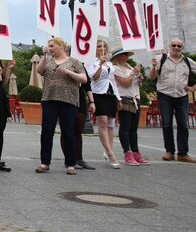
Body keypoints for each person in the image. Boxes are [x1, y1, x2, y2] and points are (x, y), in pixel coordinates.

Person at [35, 37, 87, 175]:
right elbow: (39, 71)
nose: (50, 48)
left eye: (52, 46)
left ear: (61, 46)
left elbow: (84, 78)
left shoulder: (74, 61)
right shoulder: (48, 60)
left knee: (68, 131)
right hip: (49, 98)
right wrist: (44, 56)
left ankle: (70, 164)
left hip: (69, 100)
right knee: (47, 130)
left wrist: (69, 72)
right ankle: (44, 162)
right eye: (48, 46)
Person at [149, 38, 196, 163]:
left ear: (182, 48)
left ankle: (183, 153)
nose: (176, 47)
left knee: (183, 124)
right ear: (169, 46)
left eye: (179, 46)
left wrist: (193, 88)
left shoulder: (187, 61)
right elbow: (152, 77)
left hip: (181, 95)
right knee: (167, 123)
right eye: (174, 45)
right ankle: (169, 151)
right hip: (164, 94)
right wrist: (153, 67)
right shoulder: (161, 58)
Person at [112, 48, 149, 166]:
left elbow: (136, 82)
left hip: (135, 98)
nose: (126, 56)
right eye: (123, 54)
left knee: (134, 128)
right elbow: (125, 82)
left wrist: (139, 77)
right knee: (125, 127)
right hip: (124, 99)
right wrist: (133, 73)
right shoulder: (116, 68)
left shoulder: (128, 66)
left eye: (127, 54)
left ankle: (136, 152)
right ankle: (127, 153)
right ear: (117, 57)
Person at [90, 40, 122, 169]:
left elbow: (113, 81)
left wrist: (118, 98)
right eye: (98, 47)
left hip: (110, 94)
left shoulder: (109, 63)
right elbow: (94, 77)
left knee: (110, 124)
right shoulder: (92, 62)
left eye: (103, 46)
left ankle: (109, 150)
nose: (101, 49)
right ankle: (110, 153)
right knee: (102, 122)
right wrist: (100, 64)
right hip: (98, 93)